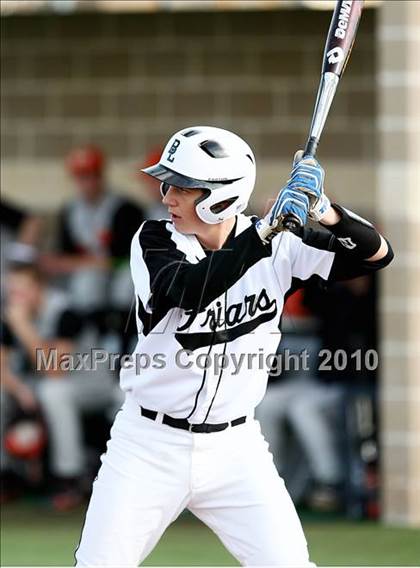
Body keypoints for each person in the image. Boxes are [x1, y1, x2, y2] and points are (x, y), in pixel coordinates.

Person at [75, 126, 393, 566]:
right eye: (167, 183)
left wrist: (325, 211)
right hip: (148, 444)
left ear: (222, 196)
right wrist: (263, 233)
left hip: (236, 449)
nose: (167, 196)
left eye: (183, 187)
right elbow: (190, 288)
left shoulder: (282, 245)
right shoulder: (154, 240)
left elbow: (376, 254)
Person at [1, 263, 122, 510]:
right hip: (42, 385)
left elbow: (55, 368)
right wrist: (20, 391)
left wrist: (23, 327)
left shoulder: (66, 311)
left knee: (53, 391)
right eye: (11, 291)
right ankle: (5, 475)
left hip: (92, 384)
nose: (15, 297)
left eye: (21, 290)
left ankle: (69, 477)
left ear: (38, 288)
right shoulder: (14, 316)